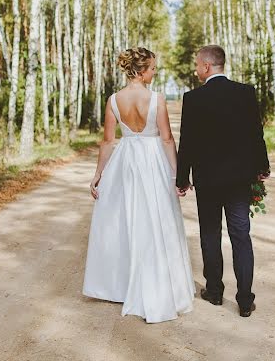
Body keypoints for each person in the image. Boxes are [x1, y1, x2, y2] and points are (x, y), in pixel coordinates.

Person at [83, 47, 195, 323]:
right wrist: (178, 173)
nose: (155, 72)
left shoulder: (113, 100)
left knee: (129, 219)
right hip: (152, 160)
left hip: (126, 162)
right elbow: (167, 139)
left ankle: (124, 285)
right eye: (153, 68)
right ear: (141, 71)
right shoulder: (155, 99)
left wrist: (99, 173)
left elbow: (108, 141)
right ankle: (157, 282)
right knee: (157, 219)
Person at [176, 45, 270, 318]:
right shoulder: (245, 93)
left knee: (210, 234)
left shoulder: (193, 98)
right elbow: (256, 134)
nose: (196, 69)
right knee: (241, 235)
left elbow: (188, 143)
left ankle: (214, 291)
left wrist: (183, 178)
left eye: (197, 64)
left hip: (208, 180)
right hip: (240, 178)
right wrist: (262, 167)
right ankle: (244, 300)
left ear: (206, 66)